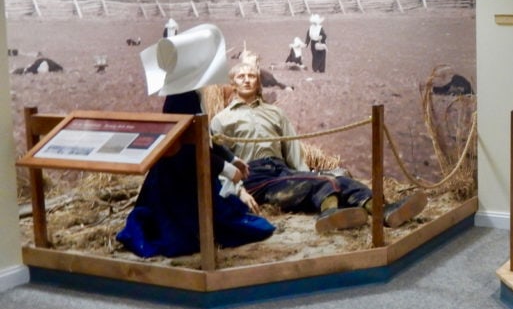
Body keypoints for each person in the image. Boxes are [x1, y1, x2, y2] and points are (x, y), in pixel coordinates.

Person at [117, 24, 276, 258]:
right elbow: (187, 149)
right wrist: (227, 168)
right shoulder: (181, 98)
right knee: (215, 229)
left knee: (236, 218)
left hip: (189, 172)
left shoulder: (190, 93)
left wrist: (231, 157)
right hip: (177, 180)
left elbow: (203, 135)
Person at [210, 61, 426, 232]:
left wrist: (303, 173)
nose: (247, 81)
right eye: (241, 77)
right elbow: (218, 162)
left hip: (282, 171)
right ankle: (330, 215)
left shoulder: (275, 113)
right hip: (254, 178)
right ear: (233, 83)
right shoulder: (221, 120)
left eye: (252, 77)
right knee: (322, 182)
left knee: (341, 179)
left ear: (258, 82)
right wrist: (238, 191)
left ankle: (384, 210)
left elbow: (292, 149)